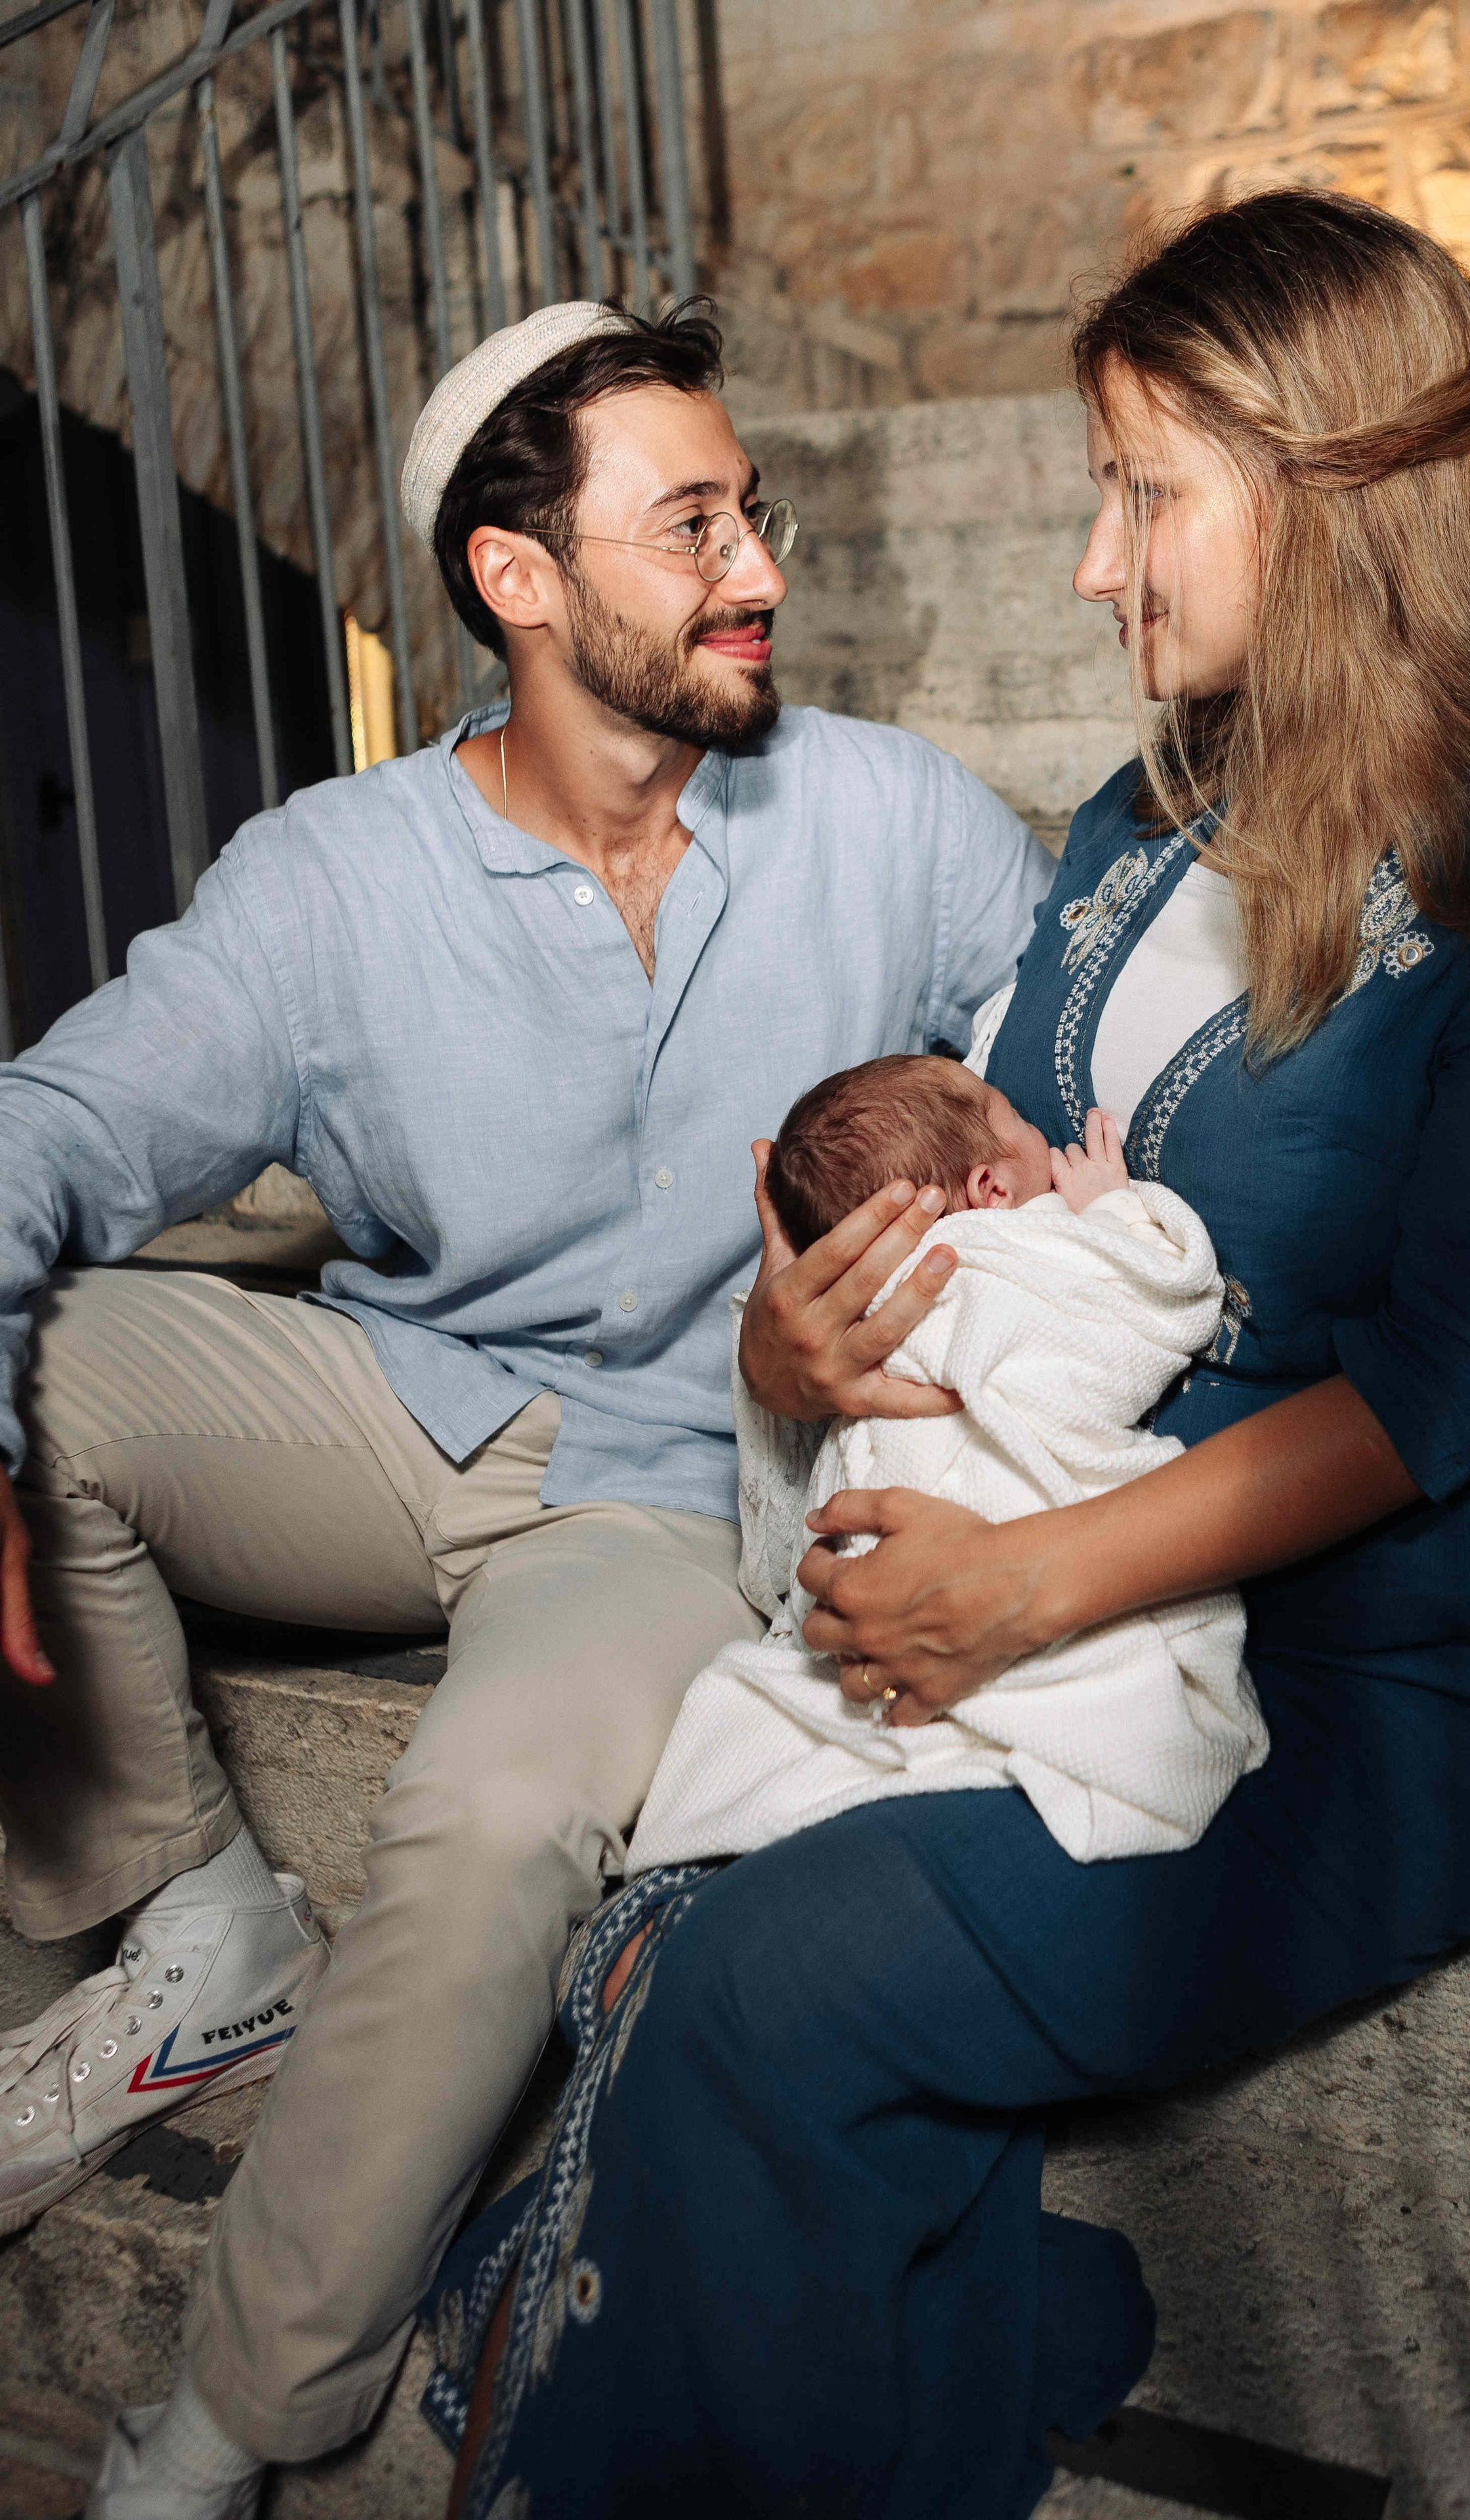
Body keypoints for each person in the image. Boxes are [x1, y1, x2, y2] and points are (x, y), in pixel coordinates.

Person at [427, 192, 1470, 2520]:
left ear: (1335, 493)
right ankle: (952, 2360)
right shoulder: (1132, 819)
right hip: (1054, 1564)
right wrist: (800, 1340)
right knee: (714, 1905)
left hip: (1358, 1677)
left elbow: (1450, 1387)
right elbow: (969, 1197)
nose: (1093, 566)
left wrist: (1034, 1588)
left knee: (766, 1986)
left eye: (1143, 492)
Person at [0, 298, 1051, 2519]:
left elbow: (1097, 1092)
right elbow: (56, 1131)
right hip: (399, 1403)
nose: (760, 566)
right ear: (521, 580)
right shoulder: (333, 879)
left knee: (483, 1834)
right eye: (692, 525)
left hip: (672, 1493)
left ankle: (218, 2424)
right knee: (60, 1351)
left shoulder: (894, 819)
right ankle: (194, 1901)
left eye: (750, 510)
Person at [625, 1062, 1261, 1874]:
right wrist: (1116, 1213)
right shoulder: (1022, 1257)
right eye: (1015, 1117)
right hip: (999, 1543)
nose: (1038, 1129)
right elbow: (1154, 1309)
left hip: (873, 1578)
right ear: (991, 1189)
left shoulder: (864, 1306)